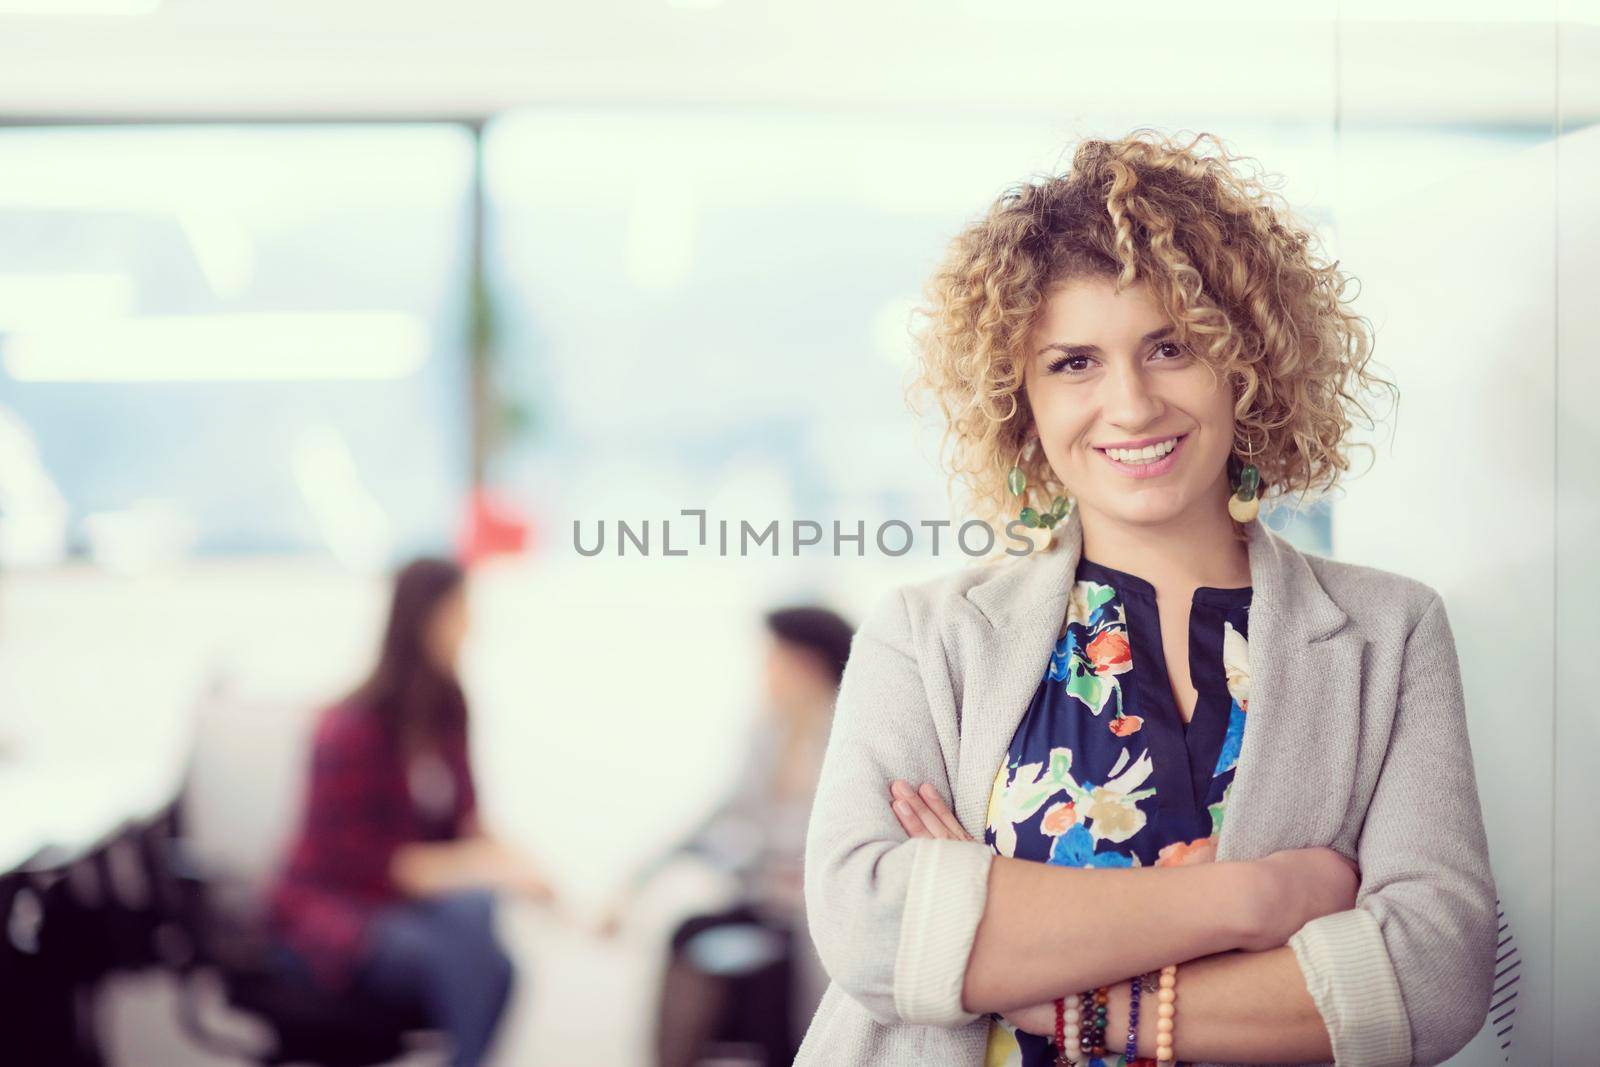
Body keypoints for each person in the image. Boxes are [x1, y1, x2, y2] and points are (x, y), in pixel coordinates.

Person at [797, 130, 1498, 1067]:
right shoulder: (926, 639)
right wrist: (1256, 900)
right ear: (1021, 399)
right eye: (1073, 362)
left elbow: (1432, 978)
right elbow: (871, 929)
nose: (1129, 405)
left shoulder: (1391, 631)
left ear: (1246, 362)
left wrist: (1043, 975)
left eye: (1170, 348)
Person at [266, 557, 555, 1067]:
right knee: (464, 957)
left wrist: (539, 877)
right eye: (461, 612)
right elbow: (369, 866)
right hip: (340, 908)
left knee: (485, 932)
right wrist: (485, 868)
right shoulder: (351, 728)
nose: (471, 628)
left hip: (411, 909)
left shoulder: (449, 710)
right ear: (425, 619)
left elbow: (468, 825)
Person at [601, 605, 854, 1067]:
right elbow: (712, 821)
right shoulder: (767, 737)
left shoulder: (852, 738)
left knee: (785, 978)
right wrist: (634, 884)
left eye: (773, 659)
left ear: (807, 664)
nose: (764, 673)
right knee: (688, 933)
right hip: (763, 904)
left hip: (823, 916)